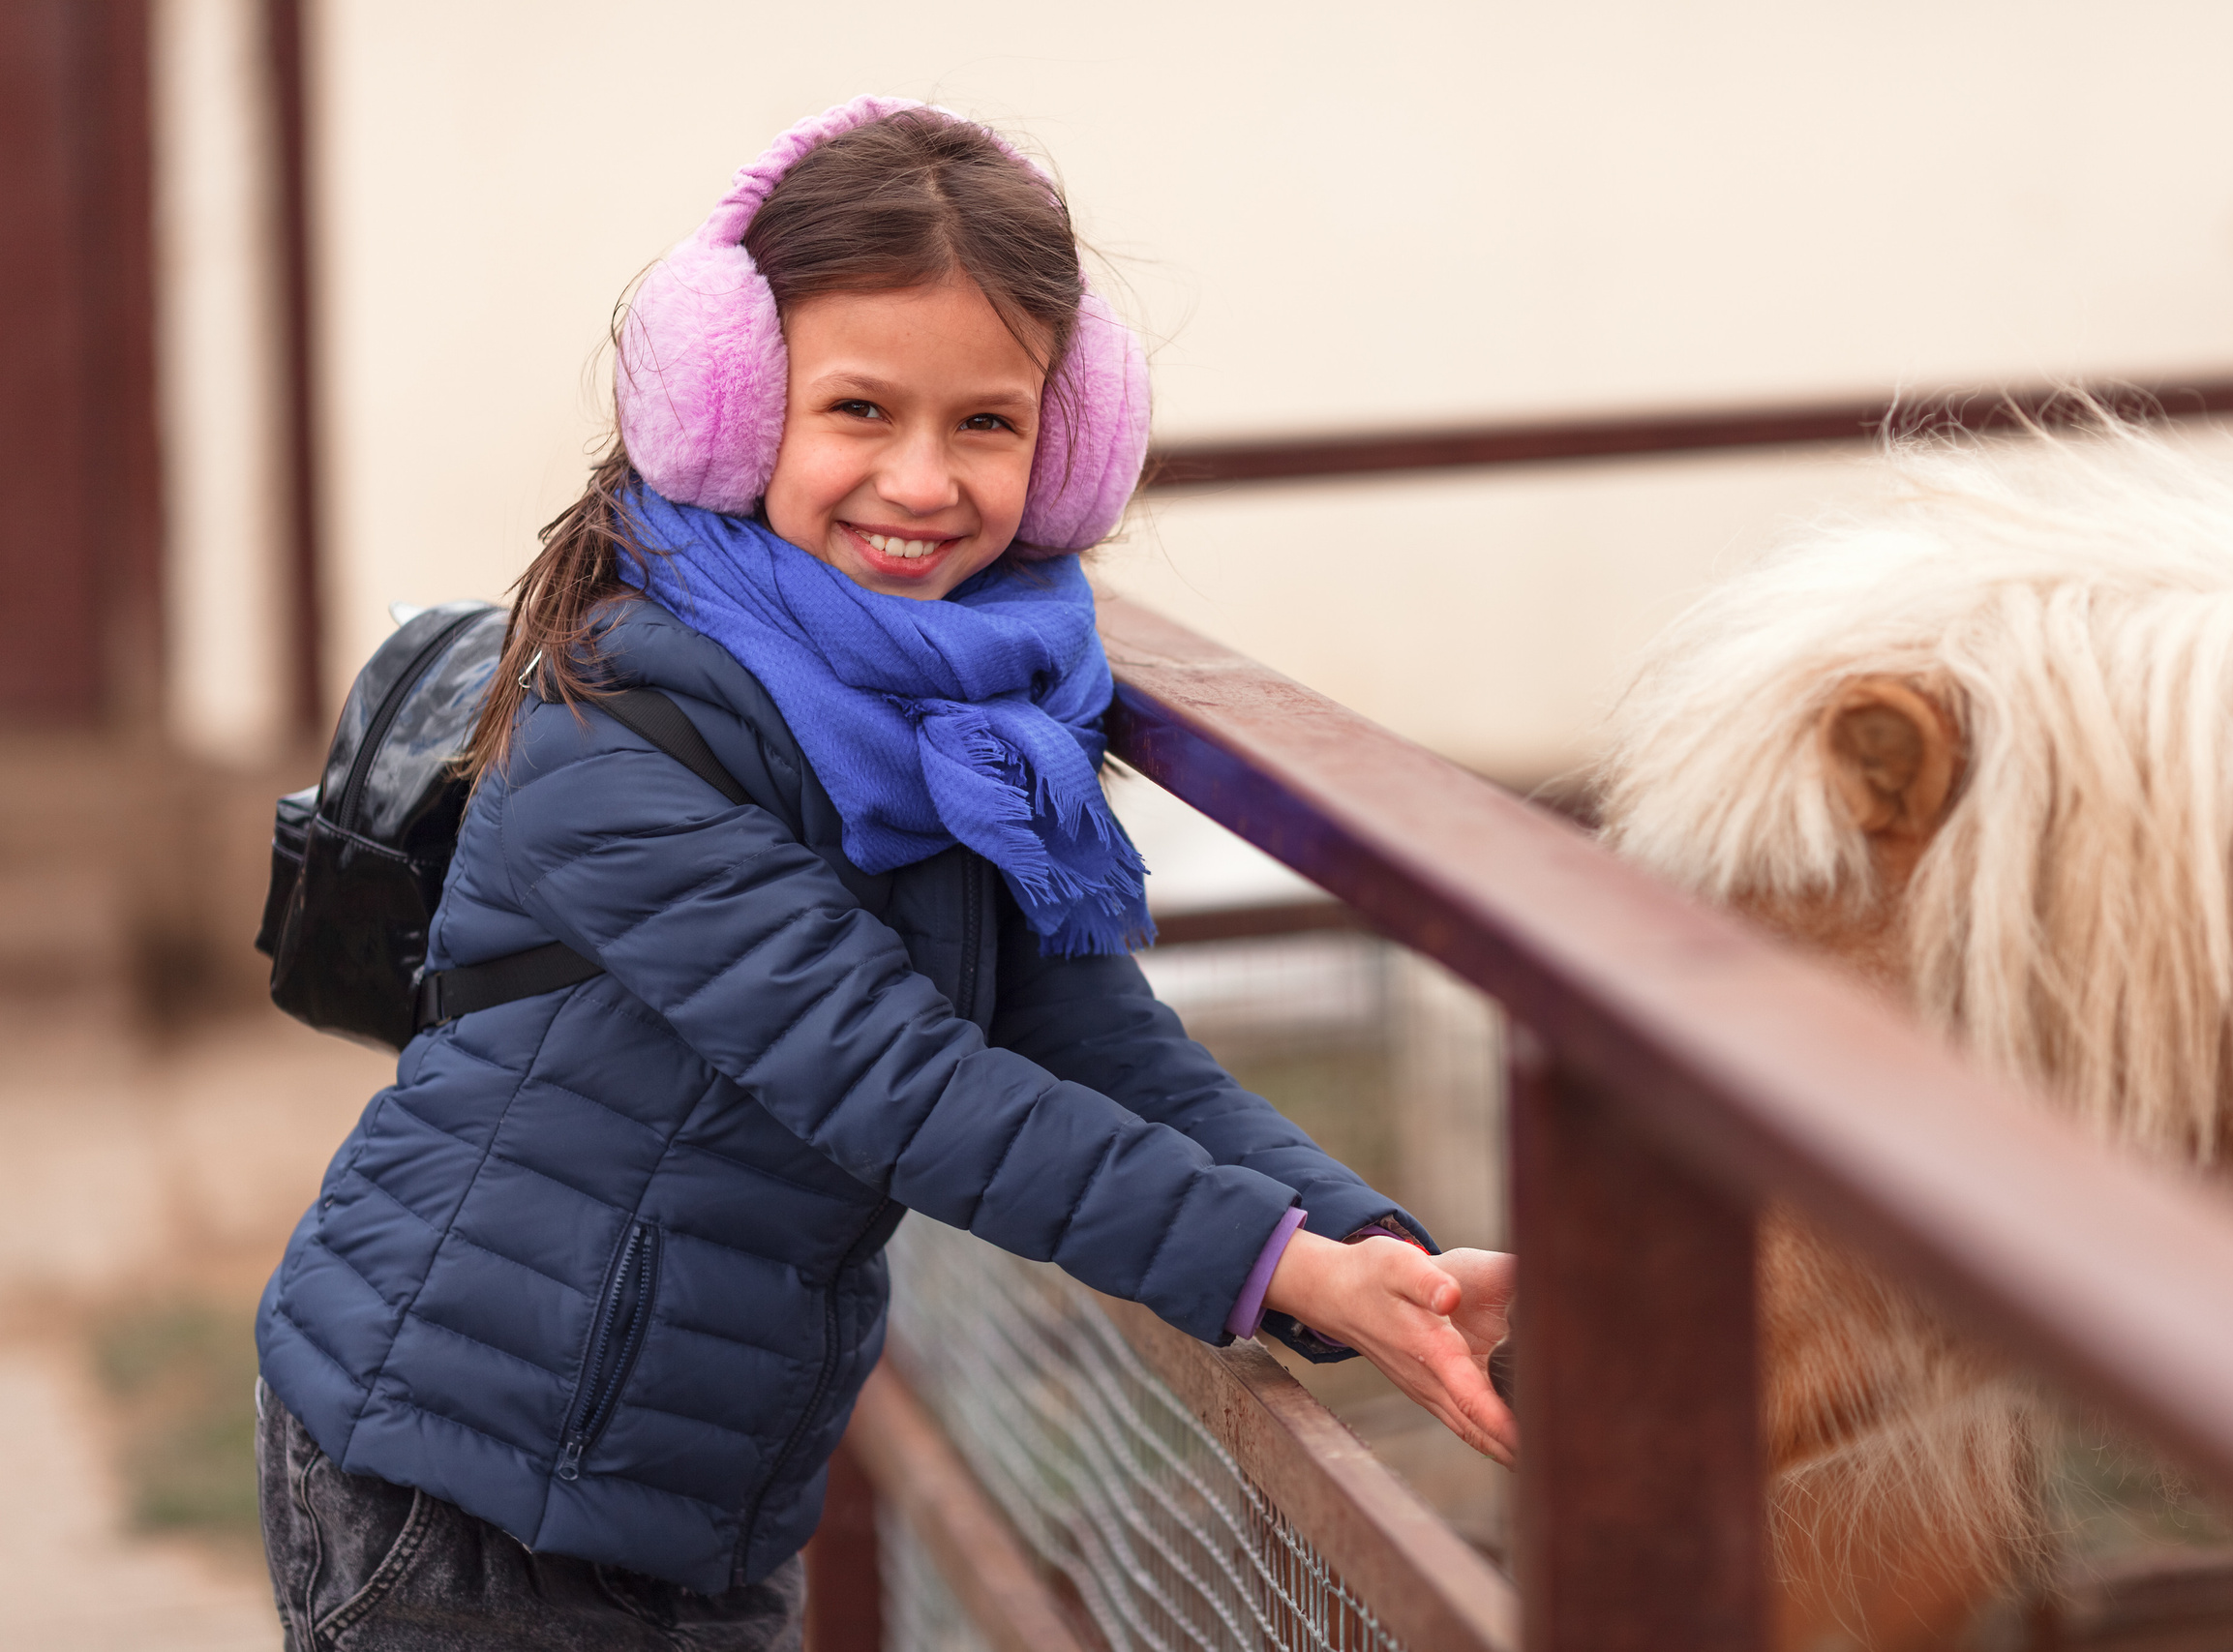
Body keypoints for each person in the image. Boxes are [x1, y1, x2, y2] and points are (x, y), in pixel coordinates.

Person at [253, 96, 1516, 1651]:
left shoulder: (959, 714)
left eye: (986, 424)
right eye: (859, 410)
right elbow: (904, 1086)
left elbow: (1087, 1034)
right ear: (727, 406)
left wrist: (1367, 1251)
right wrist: (1276, 1269)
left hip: (689, 1481)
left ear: (1069, 445)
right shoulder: (617, 727)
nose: (922, 483)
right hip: (460, 1480)